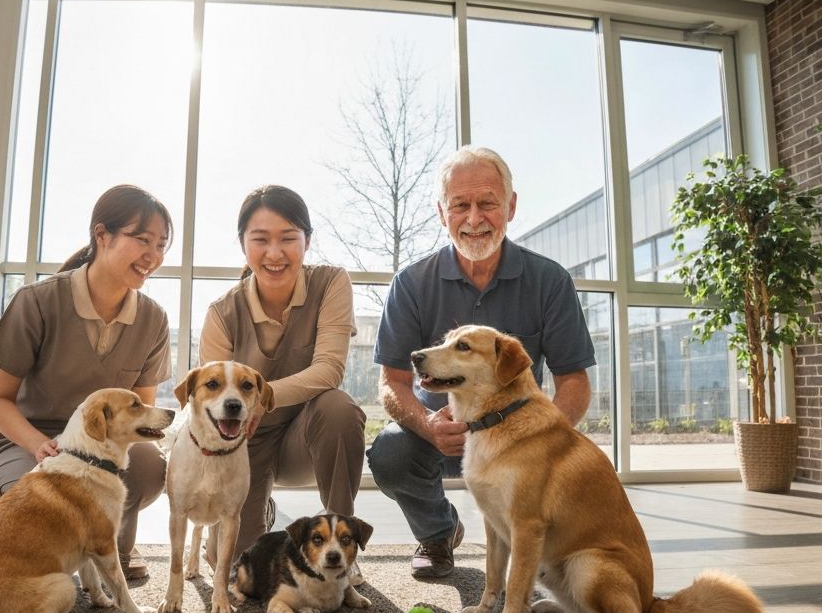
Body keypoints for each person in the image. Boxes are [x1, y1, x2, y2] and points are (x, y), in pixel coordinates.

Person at [367, 146, 596, 579]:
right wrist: (429, 425)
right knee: (390, 451)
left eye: (487, 203)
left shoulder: (550, 281)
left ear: (510, 206)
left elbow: (574, 382)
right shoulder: (411, 284)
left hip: (516, 440)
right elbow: (392, 382)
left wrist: (541, 440)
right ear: (442, 213)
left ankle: (548, 550)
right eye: (460, 206)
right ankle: (438, 534)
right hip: (442, 435)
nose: (474, 219)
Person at [0, 184, 173, 580]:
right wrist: (39, 446)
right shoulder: (37, 302)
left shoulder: (153, 319)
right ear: (102, 235)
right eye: (142, 240)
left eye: (162, 244)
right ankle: (50, 560)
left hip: (102, 447)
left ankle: (114, 548)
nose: (153, 255)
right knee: (42, 502)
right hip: (28, 444)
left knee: (151, 464)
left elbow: (142, 417)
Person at [199, 185, 366, 567]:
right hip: (244, 445)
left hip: (308, 438)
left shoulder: (331, 283)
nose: (274, 253)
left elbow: (330, 369)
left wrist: (259, 397)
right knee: (239, 567)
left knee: (339, 407)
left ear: (307, 241)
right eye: (260, 240)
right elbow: (210, 404)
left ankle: (341, 544)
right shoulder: (222, 313)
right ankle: (262, 509)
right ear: (243, 243)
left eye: (288, 238)